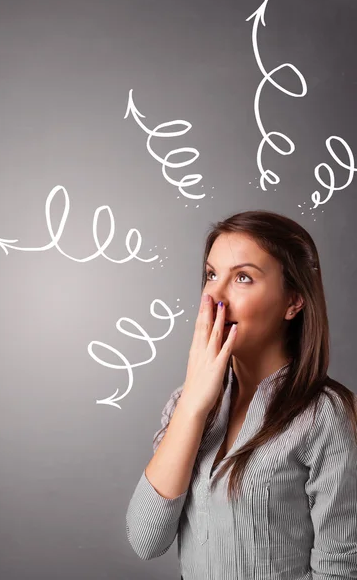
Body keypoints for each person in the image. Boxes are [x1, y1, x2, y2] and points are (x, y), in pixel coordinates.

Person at [125, 210, 357, 580]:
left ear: (293, 301)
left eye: (243, 278)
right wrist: (193, 406)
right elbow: (146, 540)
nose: (214, 295)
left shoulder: (326, 416)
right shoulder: (186, 403)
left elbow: (339, 567)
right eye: (211, 275)